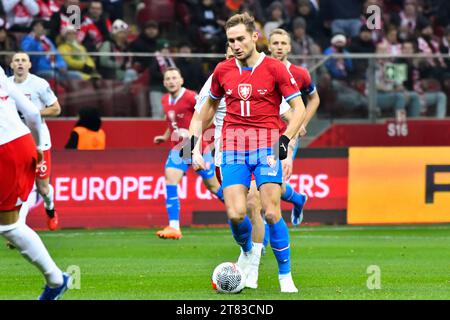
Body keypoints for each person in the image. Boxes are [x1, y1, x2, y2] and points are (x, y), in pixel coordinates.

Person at [186, 13, 306, 293]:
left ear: (254, 37)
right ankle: (249, 250)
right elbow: (205, 112)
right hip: (231, 146)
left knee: (271, 212)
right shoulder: (222, 71)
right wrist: (192, 147)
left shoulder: (275, 69)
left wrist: (285, 142)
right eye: (231, 40)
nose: (236, 45)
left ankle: (285, 276)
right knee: (236, 213)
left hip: (266, 145)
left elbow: (298, 109)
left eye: (241, 38)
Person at [0, 65, 72, 300]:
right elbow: (31, 112)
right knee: (8, 225)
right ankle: (56, 280)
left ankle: (56, 279)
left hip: (6, 151)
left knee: (8, 226)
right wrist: (38, 146)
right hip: (21, 143)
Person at [153, 67, 224, 240]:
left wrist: (193, 133)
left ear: (181, 80)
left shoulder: (191, 97)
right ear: (164, 83)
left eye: (174, 78)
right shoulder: (165, 100)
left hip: (197, 147)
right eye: (167, 78)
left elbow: (206, 115)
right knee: (170, 178)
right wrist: (164, 136)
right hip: (178, 148)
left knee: (214, 187)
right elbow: (172, 122)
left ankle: (242, 209)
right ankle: (174, 226)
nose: (171, 81)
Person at [9, 52, 61, 231]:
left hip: (39, 141)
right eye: (17, 60)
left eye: (24, 60)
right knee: (19, 187)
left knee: (43, 188)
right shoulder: (5, 85)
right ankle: (18, 227)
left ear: (30, 65)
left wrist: (32, 113)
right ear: (11, 65)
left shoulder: (39, 84)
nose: (20, 63)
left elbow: (56, 109)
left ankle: (50, 209)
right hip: (16, 142)